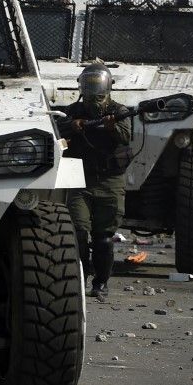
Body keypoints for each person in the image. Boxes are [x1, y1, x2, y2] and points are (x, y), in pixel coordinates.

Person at [58, 63, 132, 301]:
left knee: (103, 237)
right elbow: (56, 132)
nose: (93, 90)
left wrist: (112, 128)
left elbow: (126, 136)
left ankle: (101, 283)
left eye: (97, 84)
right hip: (79, 180)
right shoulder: (71, 111)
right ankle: (81, 275)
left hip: (110, 181)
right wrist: (72, 126)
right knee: (78, 231)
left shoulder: (118, 110)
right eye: (88, 84)